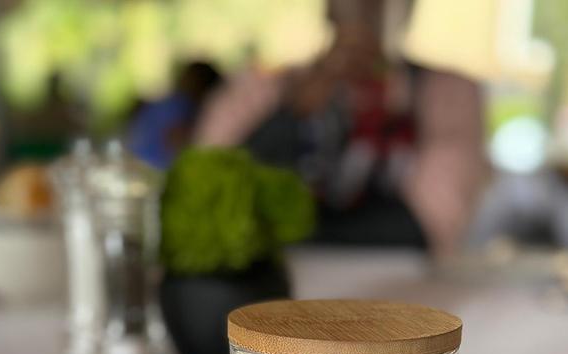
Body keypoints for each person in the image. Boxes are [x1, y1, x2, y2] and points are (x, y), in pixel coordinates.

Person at [195, 1, 485, 256]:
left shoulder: (446, 92)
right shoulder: (261, 88)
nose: (366, 6)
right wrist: (294, 111)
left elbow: (426, 227)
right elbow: (208, 194)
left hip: (395, 290)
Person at [128, 61, 222, 169]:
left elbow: (177, 140)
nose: (184, 76)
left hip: (146, 165)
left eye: (191, 75)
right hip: (134, 155)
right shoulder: (172, 98)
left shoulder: (187, 108)